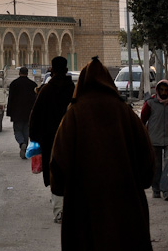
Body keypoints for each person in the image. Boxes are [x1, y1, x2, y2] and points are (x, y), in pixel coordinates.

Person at [50, 57, 154, 250]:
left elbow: (59, 159)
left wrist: (60, 188)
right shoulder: (125, 112)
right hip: (126, 202)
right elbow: (146, 155)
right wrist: (142, 181)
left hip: (84, 204)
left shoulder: (74, 114)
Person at [28, 56, 76, 223]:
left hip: (50, 139)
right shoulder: (73, 90)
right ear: (66, 69)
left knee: (55, 173)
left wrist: (34, 136)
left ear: (52, 70)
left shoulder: (46, 90)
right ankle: (69, 206)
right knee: (70, 172)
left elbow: (35, 114)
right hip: (70, 139)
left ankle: (59, 211)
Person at [6, 66, 38, 159]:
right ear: (27, 73)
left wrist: (9, 112)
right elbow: (36, 100)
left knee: (18, 130)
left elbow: (10, 99)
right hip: (29, 113)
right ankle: (25, 148)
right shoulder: (33, 84)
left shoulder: (14, 84)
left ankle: (21, 143)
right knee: (26, 131)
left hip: (17, 112)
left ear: (19, 73)